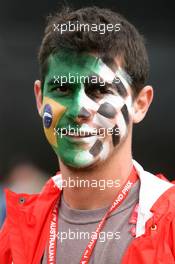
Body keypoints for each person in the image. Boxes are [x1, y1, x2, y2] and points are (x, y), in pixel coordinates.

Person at [0, 6, 175, 264]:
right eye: (62, 88)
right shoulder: (15, 230)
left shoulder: (169, 221)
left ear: (140, 103)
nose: (79, 109)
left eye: (99, 89)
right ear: (40, 98)